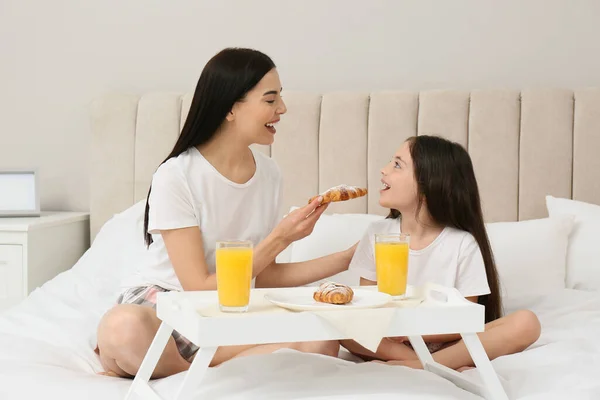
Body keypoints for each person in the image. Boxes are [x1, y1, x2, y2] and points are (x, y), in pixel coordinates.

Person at [95, 48, 356, 379]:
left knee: (322, 342)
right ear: (232, 107)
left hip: (229, 309)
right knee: (123, 327)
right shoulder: (177, 175)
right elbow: (197, 287)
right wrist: (280, 238)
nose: (282, 109)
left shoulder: (269, 174)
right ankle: (194, 366)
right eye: (270, 99)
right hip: (171, 306)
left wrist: (348, 257)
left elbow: (264, 275)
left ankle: (183, 366)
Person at [341, 135, 541, 371]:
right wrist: (395, 333)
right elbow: (370, 307)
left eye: (397, 165)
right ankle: (423, 363)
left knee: (527, 323)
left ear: (428, 185)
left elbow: (465, 318)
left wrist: (411, 333)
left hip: (448, 342)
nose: (383, 170)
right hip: (391, 342)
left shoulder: (462, 244)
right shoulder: (378, 233)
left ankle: (424, 364)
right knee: (341, 323)